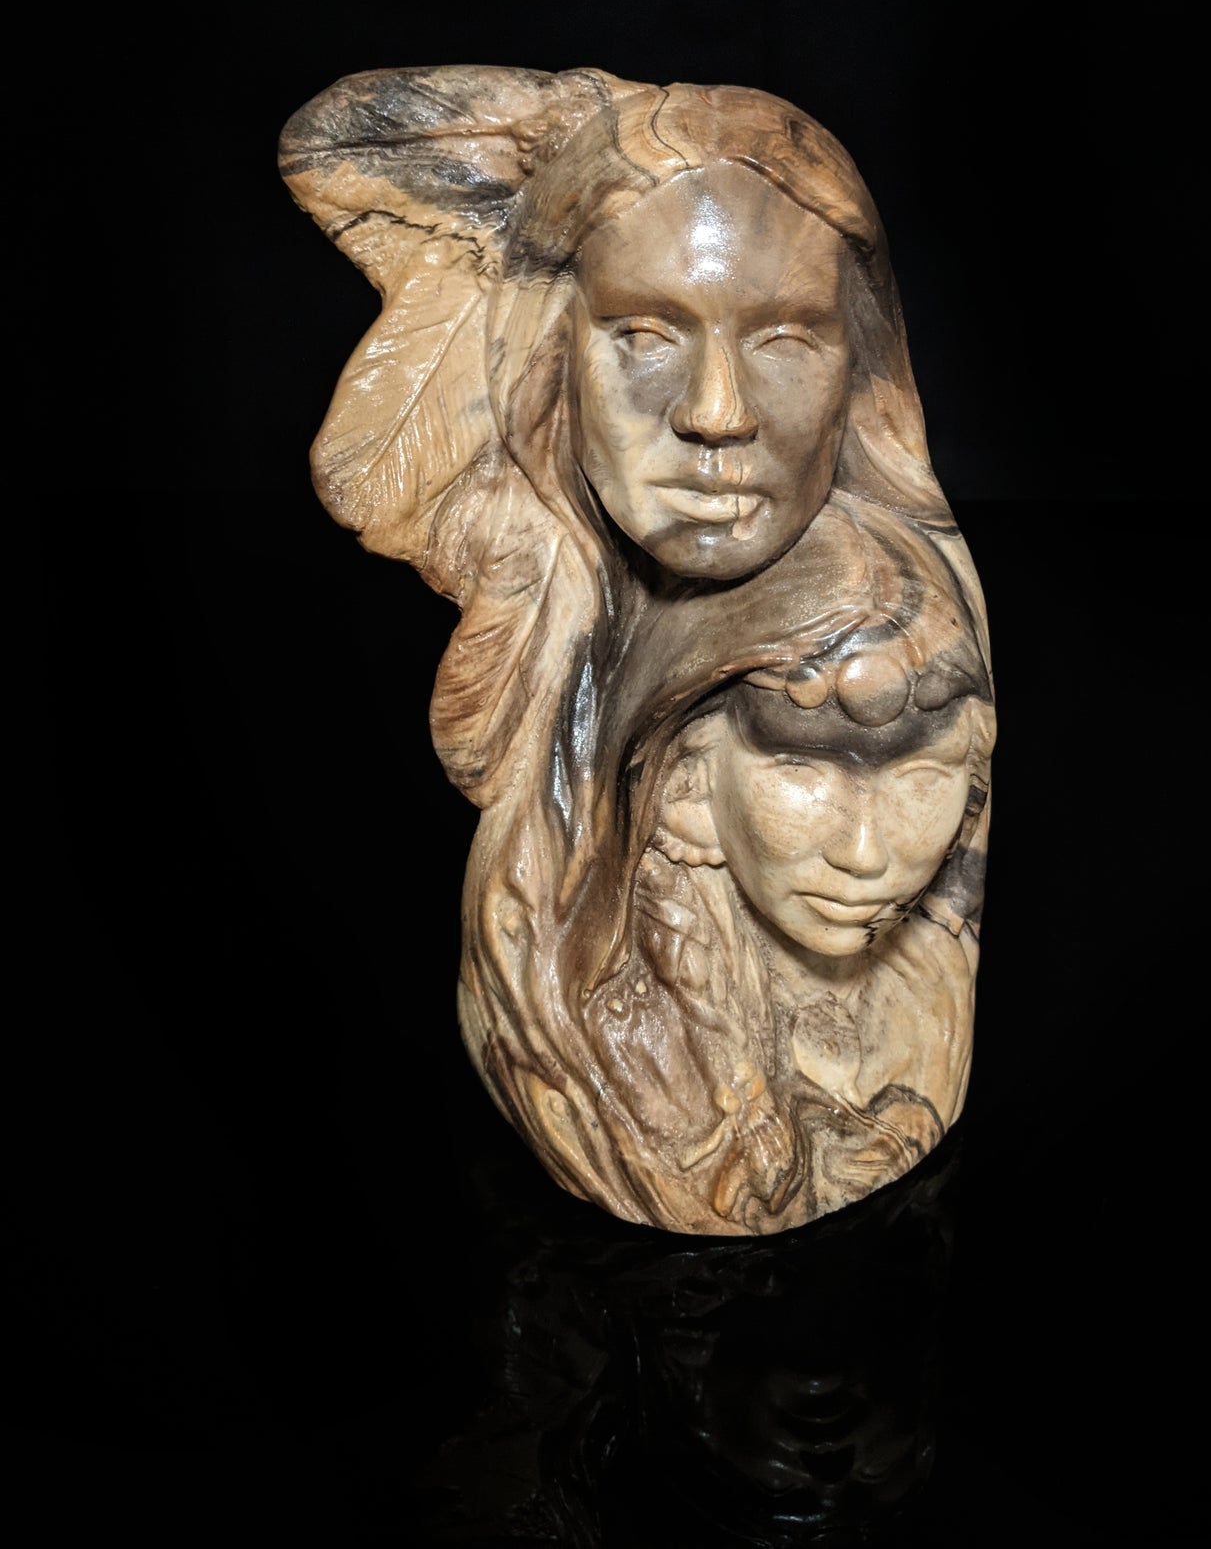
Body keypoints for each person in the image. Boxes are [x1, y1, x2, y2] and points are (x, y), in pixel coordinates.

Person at [279, 66, 993, 1228]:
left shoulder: (899, 625)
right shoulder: (563, 641)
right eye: (645, 334)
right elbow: (333, 146)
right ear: (545, 353)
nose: (715, 411)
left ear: (858, 362)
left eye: (785, 338)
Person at [585, 553, 996, 1234]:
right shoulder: (624, 1028)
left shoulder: (934, 988)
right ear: (687, 786)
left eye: (921, 777)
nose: (863, 854)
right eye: (801, 770)